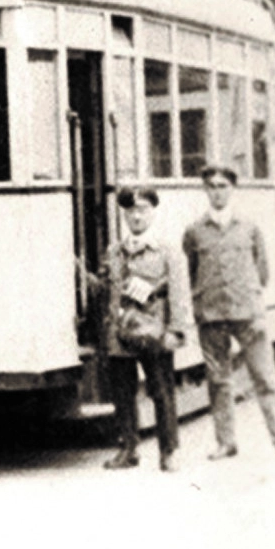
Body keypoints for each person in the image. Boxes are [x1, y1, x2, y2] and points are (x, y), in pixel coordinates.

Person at [182, 165, 275, 461]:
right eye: (212, 186)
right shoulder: (195, 231)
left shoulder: (249, 228)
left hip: (248, 314)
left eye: (223, 186)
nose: (218, 192)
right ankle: (226, 442)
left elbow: (262, 272)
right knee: (218, 381)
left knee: (266, 378)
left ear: (232, 189)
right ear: (205, 191)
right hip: (211, 315)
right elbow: (192, 271)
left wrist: (252, 303)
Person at [92, 187, 192, 471]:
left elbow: (180, 294)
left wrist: (176, 331)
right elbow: (106, 288)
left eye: (143, 210)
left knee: (161, 391)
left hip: (154, 332)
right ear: (123, 214)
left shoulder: (167, 251)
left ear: (153, 212)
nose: (136, 216)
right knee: (122, 393)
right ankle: (128, 449)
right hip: (120, 334)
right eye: (130, 211)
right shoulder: (114, 250)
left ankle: (169, 451)